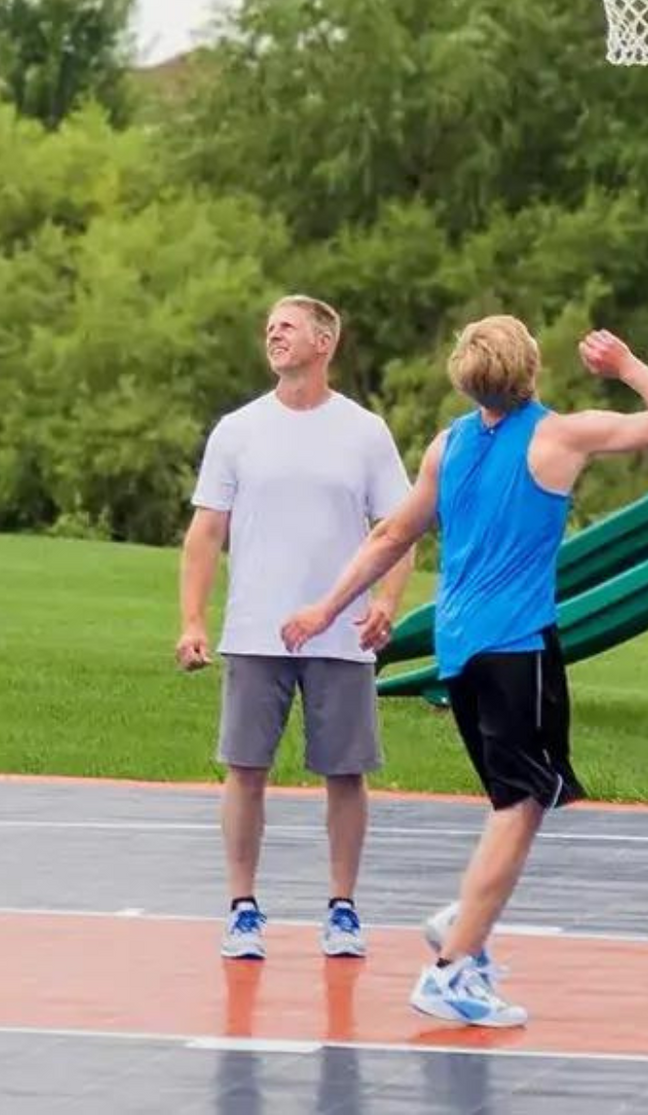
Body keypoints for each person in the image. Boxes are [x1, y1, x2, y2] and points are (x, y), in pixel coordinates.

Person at [281, 318, 648, 1024]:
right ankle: (449, 969)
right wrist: (626, 363)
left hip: (462, 651)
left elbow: (391, 534)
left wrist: (326, 607)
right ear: (530, 368)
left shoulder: (448, 446)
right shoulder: (560, 435)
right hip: (517, 646)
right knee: (519, 808)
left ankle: (465, 930)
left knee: (517, 802)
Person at [176, 294, 415, 961]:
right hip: (255, 632)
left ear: (324, 342)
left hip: (341, 637)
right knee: (245, 767)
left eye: (288, 326)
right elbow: (205, 532)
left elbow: (400, 530)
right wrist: (193, 619)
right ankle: (242, 908)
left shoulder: (364, 433)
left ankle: (342, 907)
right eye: (269, 327)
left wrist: (386, 606)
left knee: (345, 772)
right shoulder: (238, 429)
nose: (273, 334)